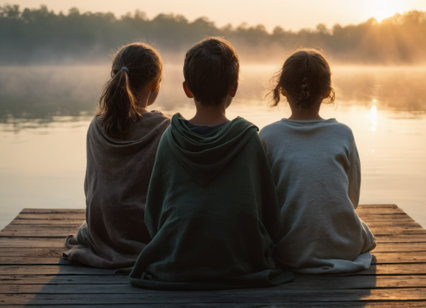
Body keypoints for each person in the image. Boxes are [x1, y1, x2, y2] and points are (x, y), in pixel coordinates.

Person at [129, 37, 293, 290]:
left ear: (187, 89)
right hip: (240, 263)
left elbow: (154, 215)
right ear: (234, 88)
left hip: (177, 262)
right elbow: (270, 215)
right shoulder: (249, 139)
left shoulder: (170, 138)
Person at [260, 49, 376, 274]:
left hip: (290, 251)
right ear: (327, 92)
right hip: (344, 246)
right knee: (364, 232)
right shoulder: (343, 134)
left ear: (282, 91)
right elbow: (352, 199)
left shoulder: (268, 136)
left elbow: (265, 205)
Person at [64, 42, 170, 268]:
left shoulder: (96, 125)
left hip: (103, 230)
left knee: (84, 231)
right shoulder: (165, 129)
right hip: (145, 235)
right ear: (154, 84)